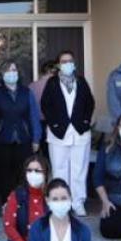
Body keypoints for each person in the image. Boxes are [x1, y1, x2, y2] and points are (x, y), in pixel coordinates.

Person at [40, 50, 95, 217]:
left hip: (80, 132)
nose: (67, 64)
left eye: (70, 61)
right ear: (58, 64)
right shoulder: (52, 83)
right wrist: (54, 124)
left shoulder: (81, 81)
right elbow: (45, 105)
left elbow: (90, 103)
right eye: (64, 61)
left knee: (79, 170)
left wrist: (85, 122)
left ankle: (78, 202)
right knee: (59, 169)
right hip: (58, 133)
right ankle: (59, 201)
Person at [0, 59, 42, 202]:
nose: (11, 73)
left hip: (23, 138)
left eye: (14, 70)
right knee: (3, 173)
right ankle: (6, 202)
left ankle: (22, 202)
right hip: (2, 138)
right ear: (1, 74)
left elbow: (34, 116)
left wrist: (36, 138)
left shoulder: (27, 92)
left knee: (23, 172)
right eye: (8, 71)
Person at [0, 154, 50, 241]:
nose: (33, 174)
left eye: (37, 171)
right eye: (29, 170)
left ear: (46, 173)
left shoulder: (52, 194)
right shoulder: (17, 194)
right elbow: (9, 227)